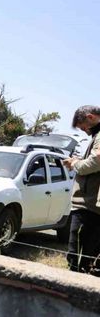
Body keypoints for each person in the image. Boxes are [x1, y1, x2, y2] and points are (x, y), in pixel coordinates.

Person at [63, 105, 100, 275]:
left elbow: (96, 162)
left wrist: (75, 164)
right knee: (87, 257)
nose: (85, 132)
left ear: (91, 117)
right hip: (89, 204)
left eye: (84, 127)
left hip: (88, 205)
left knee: (77, 256)